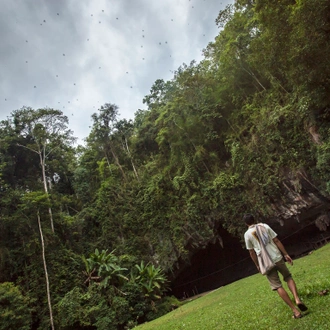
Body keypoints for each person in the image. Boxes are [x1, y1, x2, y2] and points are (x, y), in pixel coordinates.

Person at [243, 214, 308, 319]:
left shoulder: (247, 235)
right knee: (288, 277)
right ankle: (297, 299)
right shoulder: (265, 226)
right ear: (254, 219)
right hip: (277, 257)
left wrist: (258, 265)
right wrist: (286, 254)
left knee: (277, 286)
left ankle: (295, 311)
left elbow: (251, 252)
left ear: (246, 223)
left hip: (266, 263)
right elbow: (276, 240)